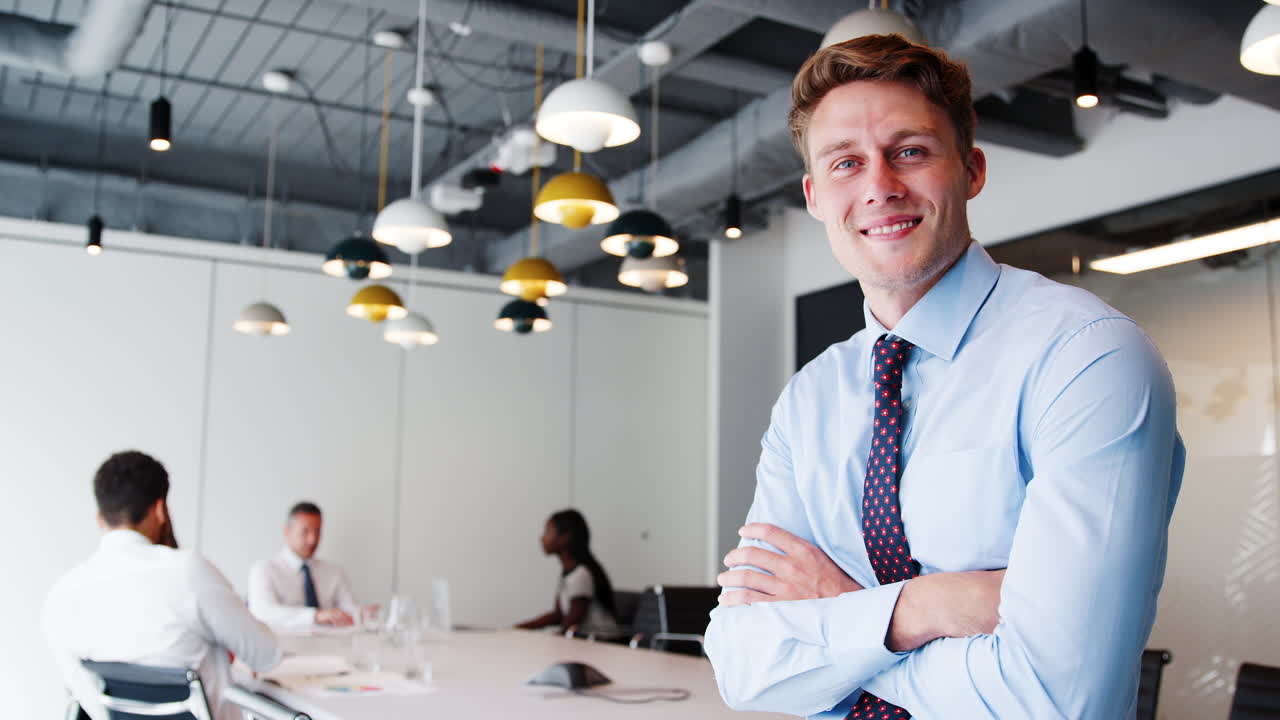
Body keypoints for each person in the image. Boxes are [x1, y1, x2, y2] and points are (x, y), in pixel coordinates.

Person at [704, 34, 1185, 719]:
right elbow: (743, 667)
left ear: (972, 168)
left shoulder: (1088, 358)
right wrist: (928, 606)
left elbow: (1053, 700)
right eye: (847, 162)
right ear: (814, 195)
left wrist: (843, 614)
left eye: (910, 151)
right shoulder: (811, 398)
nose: (879, 186)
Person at [43, 451, 280, 720]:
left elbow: (87, 701)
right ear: (159, 509)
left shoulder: (61, 596)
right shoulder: (188, 571)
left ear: (100, 518)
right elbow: (266, 656)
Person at [248, 501, 365, 628]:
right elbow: (263, 613)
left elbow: (349, 609)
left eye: (317, 531)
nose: (313, 539)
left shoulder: (334, 572)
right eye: (305, 531)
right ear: (287, 532)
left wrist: (361, 614)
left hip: (332, 645)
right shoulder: (264, 570)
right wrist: (315, 616)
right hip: (285, 645)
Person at [516, 509, 620, 637]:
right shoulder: (568, 573)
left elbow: (572, 623)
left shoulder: (581, 574)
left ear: (565, 537)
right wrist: (519, 628)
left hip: (601, 643)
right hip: (583, 641)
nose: (542, 538)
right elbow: (558, 615)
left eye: (548, 532)